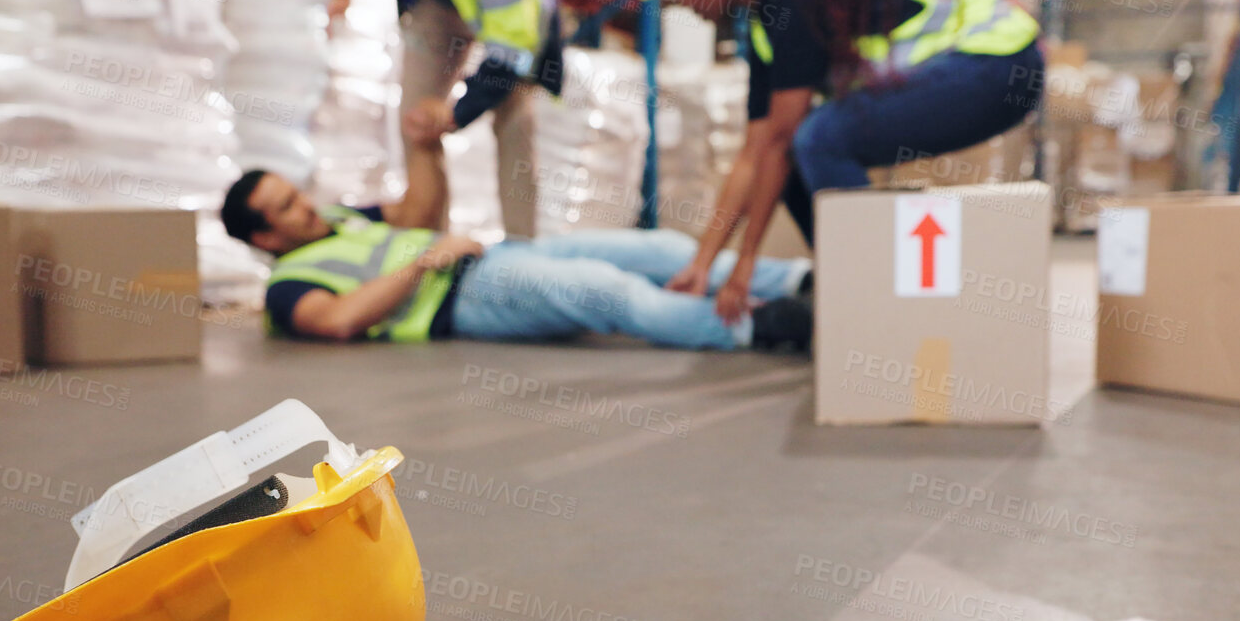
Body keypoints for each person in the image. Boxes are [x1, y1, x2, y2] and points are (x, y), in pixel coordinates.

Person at [634, 0, 1044, 322]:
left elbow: (782, 140)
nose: (683, 4)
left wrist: (746, 265)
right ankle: (853, 289)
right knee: (802, 150)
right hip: (984, 65)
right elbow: (755, 153)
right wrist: (704, 265)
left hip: (1000, 60)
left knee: (818, 138)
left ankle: (876, 302)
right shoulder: (765, 26)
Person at [219, 163, 813, 351]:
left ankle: (798, 278)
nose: (306, 206)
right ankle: (753, 327)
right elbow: (340, 320)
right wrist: (426, 263)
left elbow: (417, 209)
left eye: (295, 194)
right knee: (601, 288)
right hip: (464, 296)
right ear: (267, 239)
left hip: (492, 256)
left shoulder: (343, 221)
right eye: (288, 208)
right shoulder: (287, 286)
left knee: (658, 247)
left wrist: (424, 145)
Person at [322, 0, 564, 239]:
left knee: (514, 116)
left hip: (511, 12)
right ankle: (432, 245)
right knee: (414, 118)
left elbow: (511, 50)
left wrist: (457, 113)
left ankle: (521, 245)